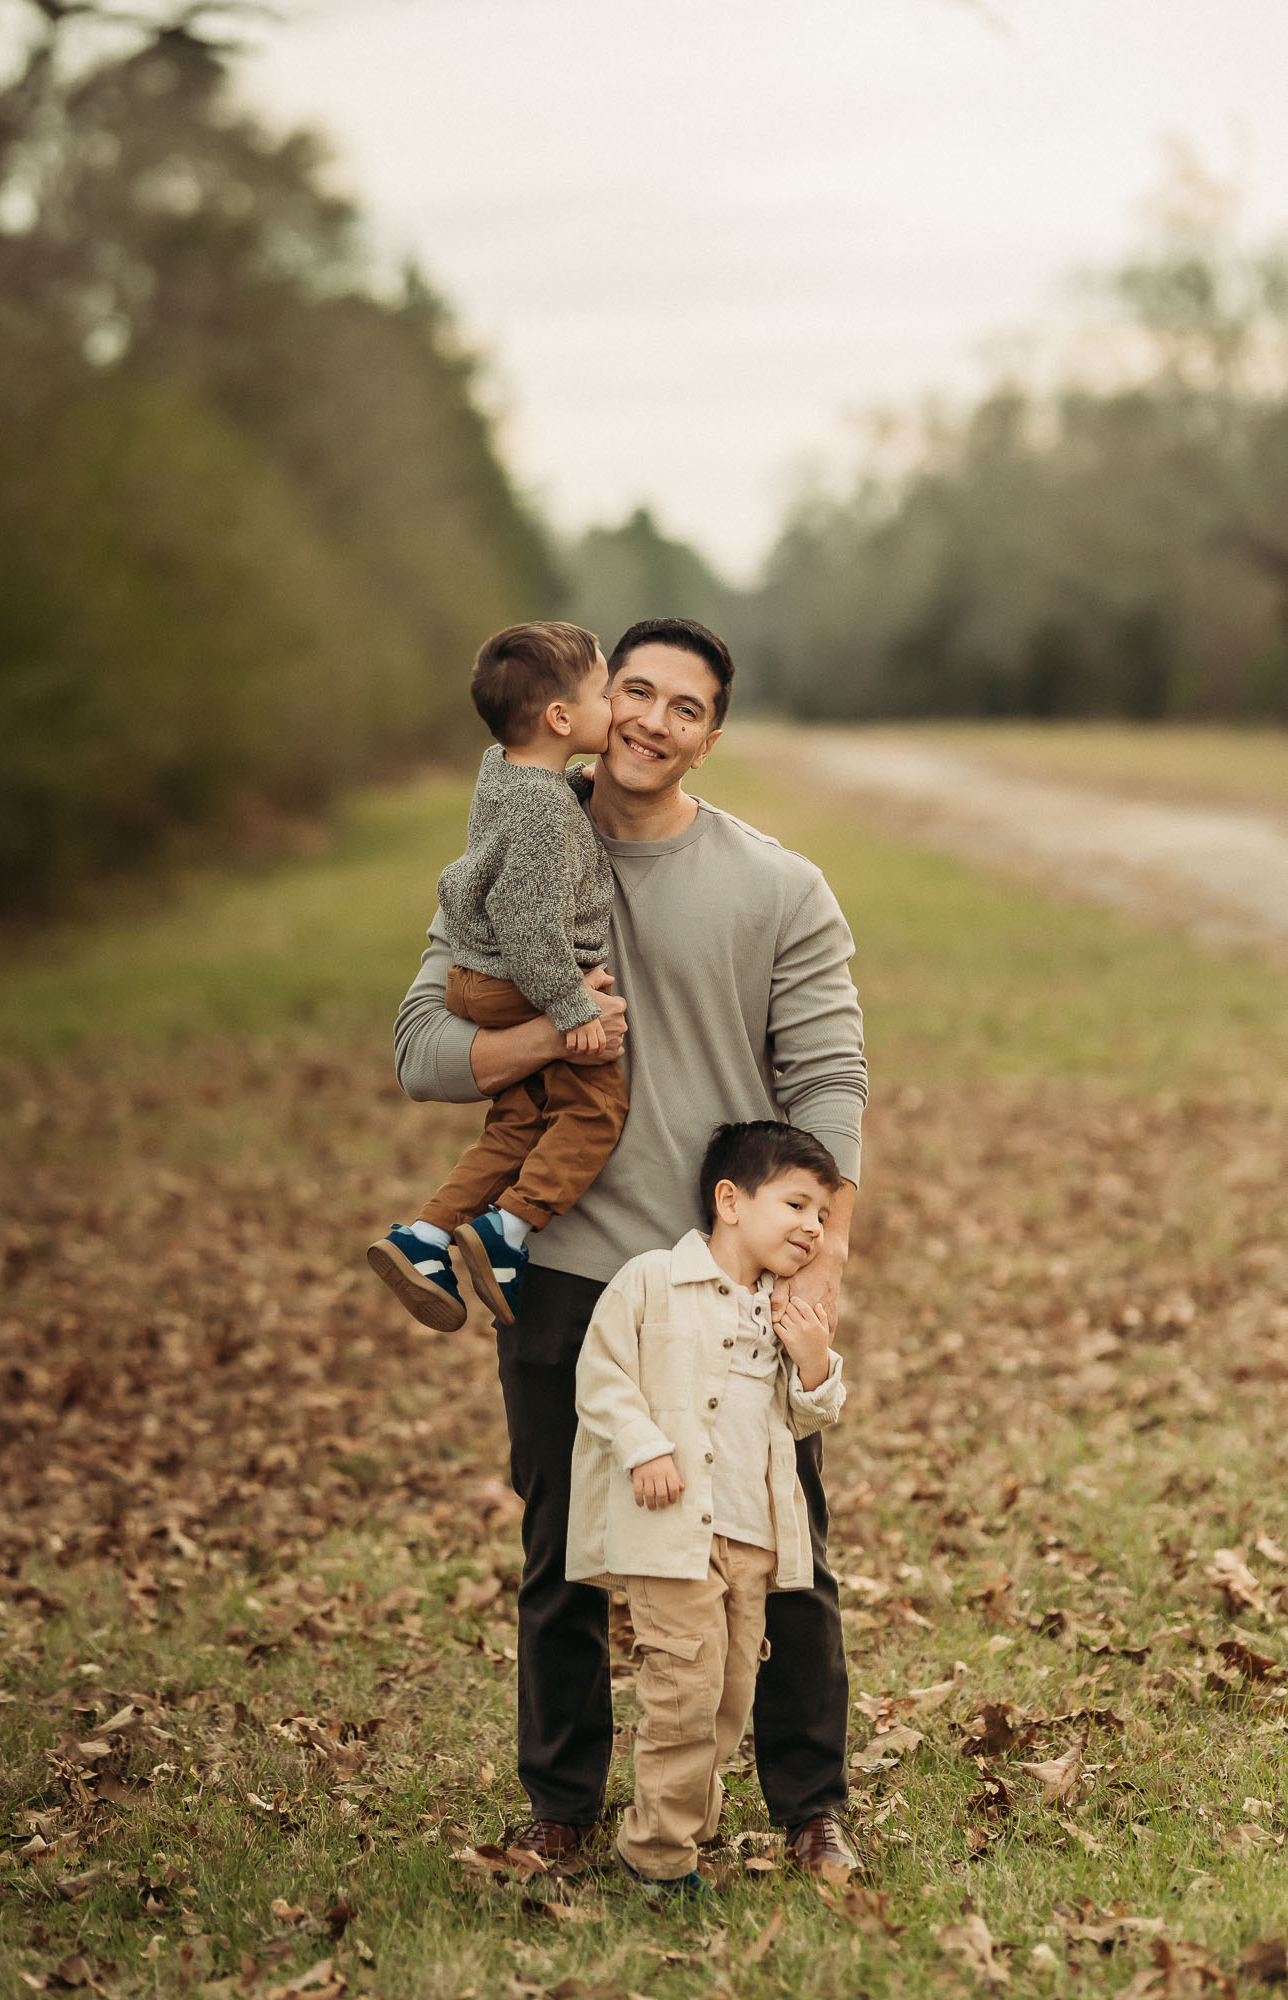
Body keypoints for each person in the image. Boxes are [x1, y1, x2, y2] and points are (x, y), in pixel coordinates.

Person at [395, 615, 866, 1875]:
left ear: (712, 736)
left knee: (777, 1554)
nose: (652, 720)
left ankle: (808, 1802)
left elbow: (827, 1082)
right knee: (560, 1556)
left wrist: (814, 1260)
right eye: (636, 691)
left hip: (727, 1280)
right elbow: (422, 1049)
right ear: (587, 708)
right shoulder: (515, 850)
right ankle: (561, 1807)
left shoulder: (777, 886)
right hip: (562, 1268)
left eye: (684, 705)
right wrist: (552, 1037)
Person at [567, 1121, 847, 1897]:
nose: (812, 1227)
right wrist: (644, 1446)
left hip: (752, 1540)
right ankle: (657, 1856)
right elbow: (602, 1375)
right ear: (730, 1199)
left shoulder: (785, 1312)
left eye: (822, 1216)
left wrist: (816, 1363)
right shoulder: (652, 1280)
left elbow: (803, 1416)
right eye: (796, 1204)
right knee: (682, 1693)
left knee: (728, 1698)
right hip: (670, 1536)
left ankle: (686, 1818)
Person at [369, 621, 625, 1330]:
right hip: (518, 982)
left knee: (516, 1124)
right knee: (593, 1110)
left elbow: (527, 822)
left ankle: (422, 1238)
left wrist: (576, 784)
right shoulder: (544, 810)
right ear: (561, 717)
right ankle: (506, 1231)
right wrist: (572, 1014)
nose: (615, 710)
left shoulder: (504, 770)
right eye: (605, 693)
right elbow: (527, 924)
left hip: (474, 976)